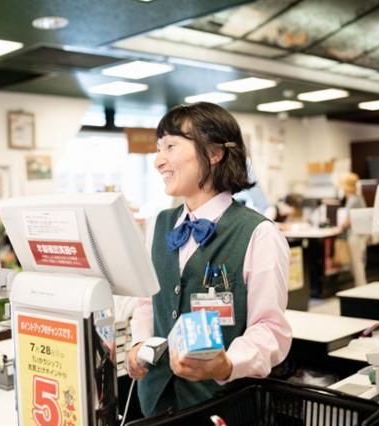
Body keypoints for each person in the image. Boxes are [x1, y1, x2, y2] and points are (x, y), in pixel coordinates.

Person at [125, 102, 292, 417]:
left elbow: (270, 327)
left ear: (214, 153)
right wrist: (139, 343)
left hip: (224, 405)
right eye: (159, 149)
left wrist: (228, 363)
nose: (158, 161)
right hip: (158, 403)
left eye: (171, 146)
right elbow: (148, 301)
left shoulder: (259, 234)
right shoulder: (159, 224)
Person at [336, 172, 367, 286]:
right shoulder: (356, 198)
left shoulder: (354, 200)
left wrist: (338, 228)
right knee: (356, 264)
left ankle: (361, 288)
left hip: (355, 236)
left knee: (357, 264)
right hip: (357, 235)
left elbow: (348, 221)